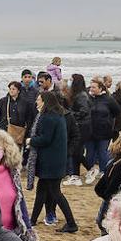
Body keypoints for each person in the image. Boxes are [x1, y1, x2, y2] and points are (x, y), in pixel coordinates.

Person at [30, 90, 77, 232]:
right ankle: (32, 220)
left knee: (56, 193)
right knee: (41, 191)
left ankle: (71, 223)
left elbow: (45, 139)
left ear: (45, 102)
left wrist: (30, 140)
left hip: (50, 162)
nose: (36, 102)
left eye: (38, 100)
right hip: (56, 160)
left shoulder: (47, 117)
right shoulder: (58, 115)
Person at [84, 77, 117, 182]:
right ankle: (90, 171)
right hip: (90, 131)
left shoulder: (108, 99)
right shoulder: (87, 98)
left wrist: (108, 122)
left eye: (94, 87)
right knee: (89, 154)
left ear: (100, 88)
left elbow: (117, 112)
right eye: (91, 87)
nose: (91, 89)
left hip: (104, 131)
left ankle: (104, 172)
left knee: (102, 153)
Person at [63, 73, 92, 187]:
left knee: (76, 151)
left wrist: (70, 114)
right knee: (77, 152)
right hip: (81, 125)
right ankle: (76, 175)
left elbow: (84, 111)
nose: (69, 82)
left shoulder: (81, 96)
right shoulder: (78, 95)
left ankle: (84, 171)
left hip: (82, 126)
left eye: (71, 80)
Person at [0, 81, 27, 146]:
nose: (11, 91)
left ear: (18, 91)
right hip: (3, 128)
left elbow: (28, 116)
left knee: (16, 150)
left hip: (18, 131)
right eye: (10, 89)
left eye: (13, 89)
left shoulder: (24, 102)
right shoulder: (3, 100)